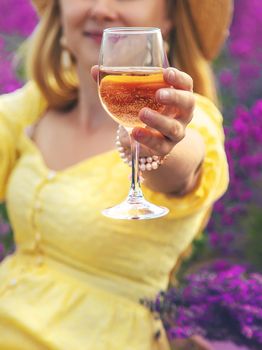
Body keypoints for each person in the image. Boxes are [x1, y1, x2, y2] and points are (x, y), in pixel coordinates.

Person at [0, 0, 232, 349]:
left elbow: (184, 168)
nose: (103, 9)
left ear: (170, 16)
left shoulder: (191, 120)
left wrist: (159, 145)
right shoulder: (36, 107)